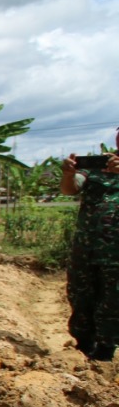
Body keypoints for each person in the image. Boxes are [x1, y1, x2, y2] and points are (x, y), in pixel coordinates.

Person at [61, 133, 119, 360]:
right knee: (80, 294)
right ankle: (84, 344)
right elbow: (70, 188)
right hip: (86, 248)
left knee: (113, 299)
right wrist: (68, 174)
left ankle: (106, 349)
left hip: (115, 252)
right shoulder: (97, 166)